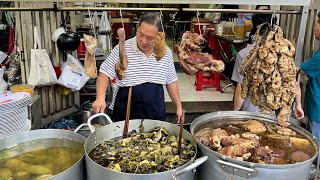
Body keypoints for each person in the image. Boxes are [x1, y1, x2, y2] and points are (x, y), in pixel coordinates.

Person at [92, 12, 183, 123]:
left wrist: (178, 106)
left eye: (150, 38)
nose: (144, 41)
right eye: (141, 34)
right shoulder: (122, 49)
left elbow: (171, 81)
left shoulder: (165, 53)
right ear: (137, 28)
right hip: (125, 109)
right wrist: (100, 98)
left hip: (154, 110)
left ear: (160, 35)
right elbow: (104, 73)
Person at [231, 12, 304, 120]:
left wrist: (234, 113)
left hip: (253, 112)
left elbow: (240, 87)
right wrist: (298, 105)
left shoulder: (244, 54)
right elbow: (294, 83)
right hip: (278, 113)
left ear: (255, 28)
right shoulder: (284, 52)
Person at [300, 11, 320, 140]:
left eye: (315, 25)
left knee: (316, 146)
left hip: (317, 110)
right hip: (315, 109)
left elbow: (298, 71)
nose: (313, 29)